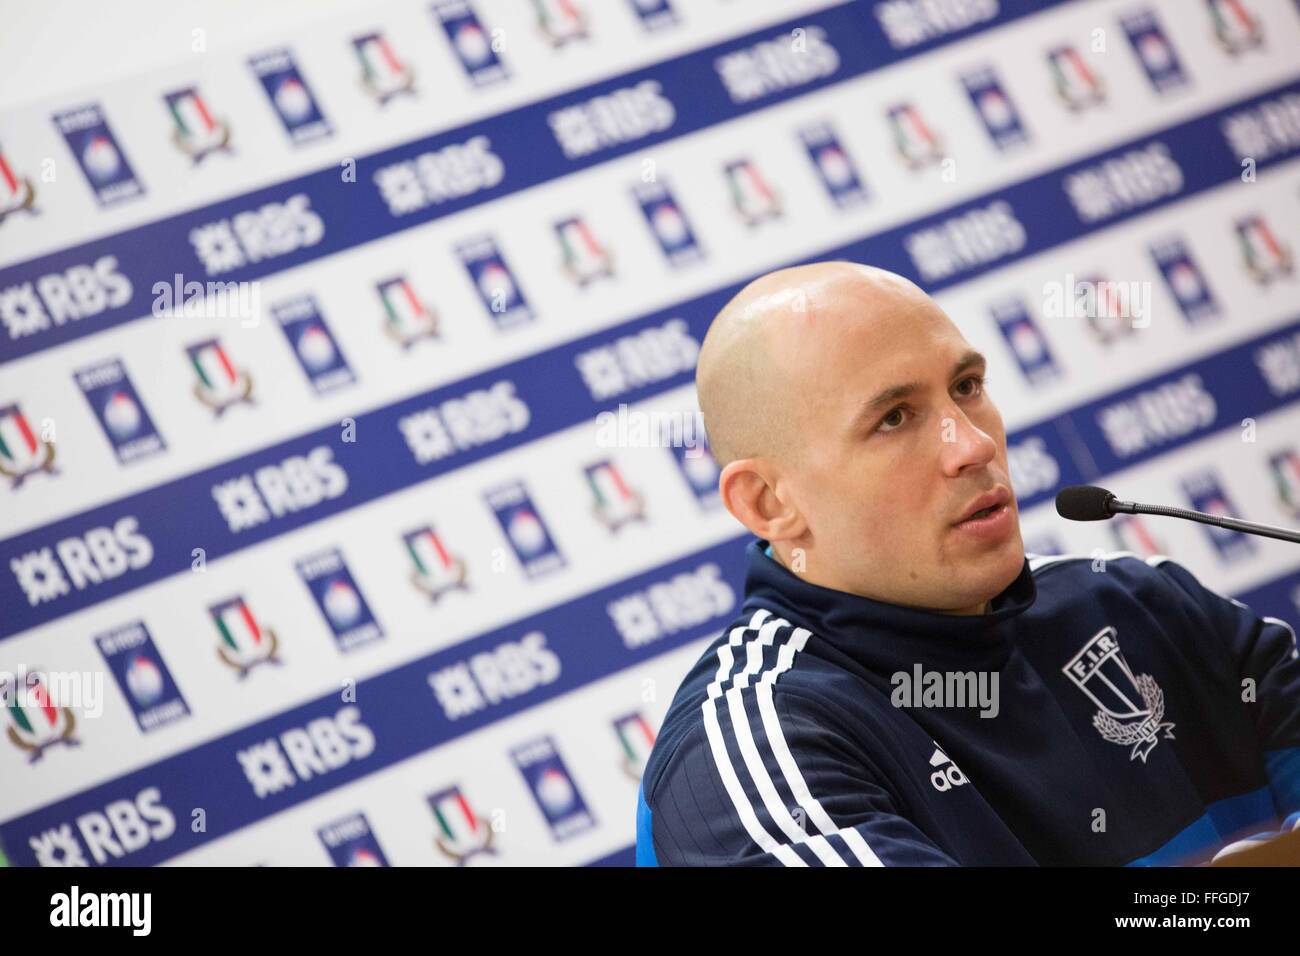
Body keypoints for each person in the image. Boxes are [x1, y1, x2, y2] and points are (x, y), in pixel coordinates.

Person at [635, 261, 1300, 866]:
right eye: (895, 418)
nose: (974, 444)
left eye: (968, 385)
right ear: (769, 502)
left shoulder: (1136, 604)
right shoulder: (753, 755)